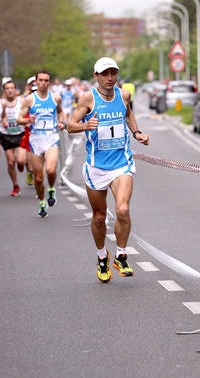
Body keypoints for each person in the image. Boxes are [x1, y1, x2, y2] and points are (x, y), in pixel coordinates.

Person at [67, 57, 149, 283]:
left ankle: (121, 256)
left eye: (113, 73)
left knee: (122, 210)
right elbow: (69, 125)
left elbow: (128, 114)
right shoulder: (88, 98)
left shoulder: (123, 95)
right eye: (105, 74)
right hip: (96, 167)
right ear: (96, 76)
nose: (110, 78)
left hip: (121, 164)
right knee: (99, 216)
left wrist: (136, 132)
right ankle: (102, 256)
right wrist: (85, 125)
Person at [17, 69, 66, 218]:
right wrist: (27, 120)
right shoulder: (29, 100)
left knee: (50, 170)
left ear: (49, 82)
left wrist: (62, 122)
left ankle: (51, 188)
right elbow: (19, 118)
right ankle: (42, 201)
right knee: (38, 178)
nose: (43, 83)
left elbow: (60, 112)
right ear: (36, 82)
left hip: (51, 137)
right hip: (36, 139)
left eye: (46, 80)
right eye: (41, 80)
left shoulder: (56, 98)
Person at [1, 80, 26, 196]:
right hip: (6, 135)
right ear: (4, 91)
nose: (10, 90)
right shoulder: (1, 103)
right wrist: (3, 122)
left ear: (15, 90)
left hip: (20, 134)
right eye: (7, 88)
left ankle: (21, 164)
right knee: (11, 162)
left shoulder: (21, 101)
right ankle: (15, 185)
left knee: (20, 160)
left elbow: (29, 112)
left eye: (12, 88)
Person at [20, 76, 36, 186]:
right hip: (27, 132)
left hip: (41, 133)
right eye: (31, 84)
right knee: (27, 162)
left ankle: (38, 179)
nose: (34, 85)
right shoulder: (24, 99)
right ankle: (29, 170)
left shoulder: (45, 97)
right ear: (28, 86)